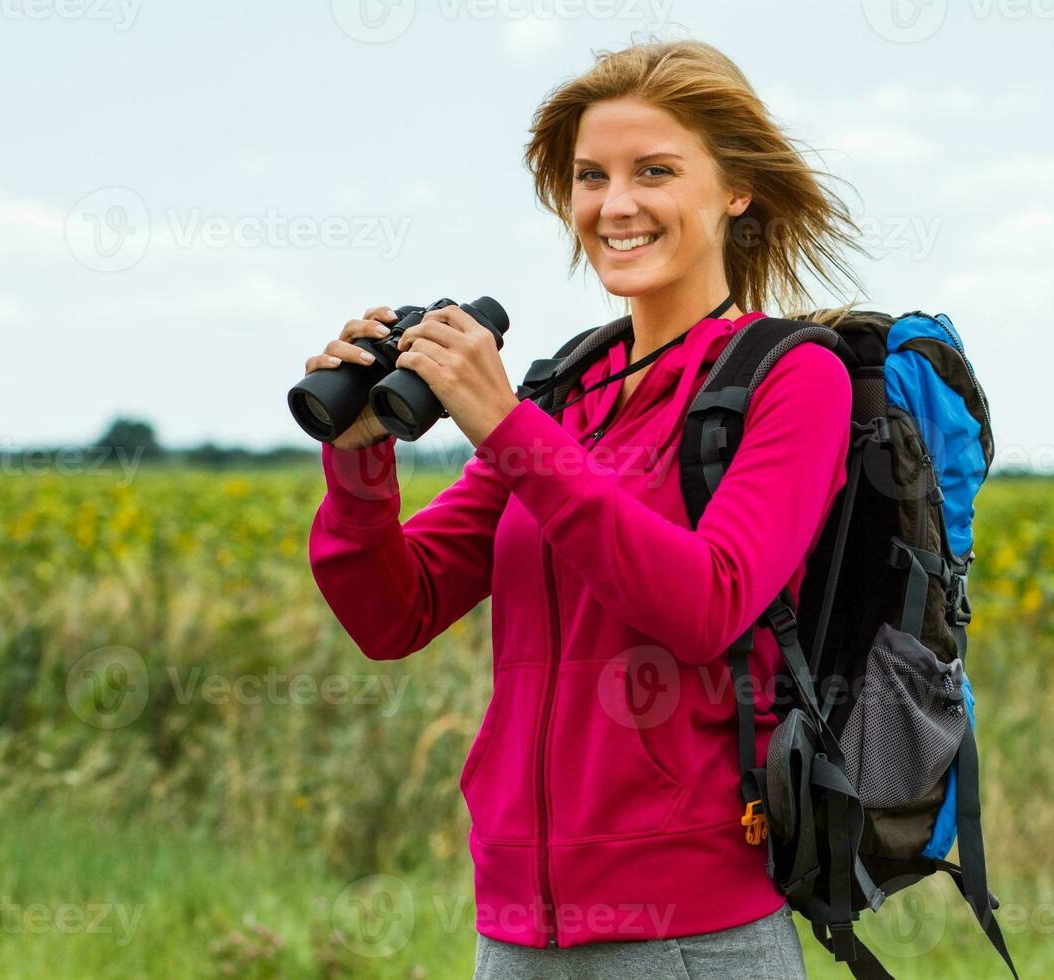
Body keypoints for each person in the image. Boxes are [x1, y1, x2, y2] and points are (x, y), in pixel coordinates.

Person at [304, 38, 867, 980]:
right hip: (517, 930)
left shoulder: (793, 379)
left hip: (693, 934)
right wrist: (358, 463)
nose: (615, 205)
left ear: (736, 189)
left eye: (656, 171)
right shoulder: (573, 390)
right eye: (590, 177)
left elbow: (707, 603)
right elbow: (394, 613)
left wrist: (508, 427)